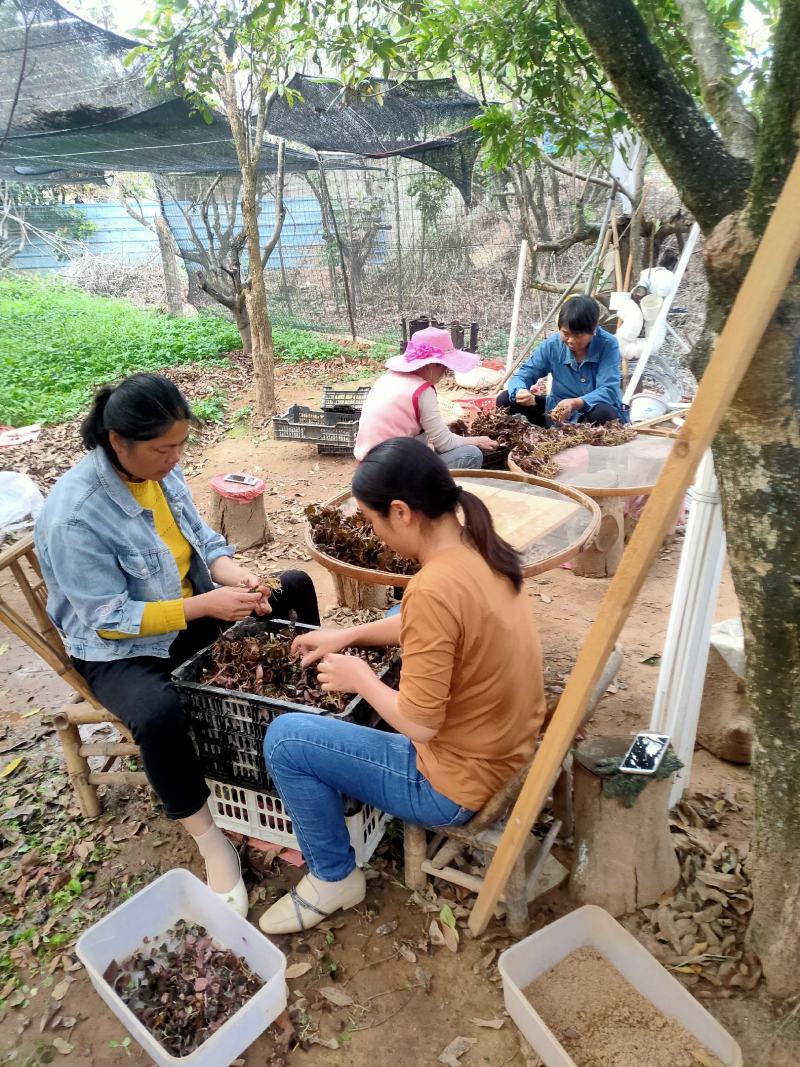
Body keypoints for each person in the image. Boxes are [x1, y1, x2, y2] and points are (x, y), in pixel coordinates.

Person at [34, 373, 320, 917]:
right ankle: (212, 842)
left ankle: (299, 727)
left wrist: (233, 577)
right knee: (159, 712)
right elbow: (109, 617)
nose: (175, 457)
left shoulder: (161, 473)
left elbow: (204, 543)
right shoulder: (74, 514)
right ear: (118, 442)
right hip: (117, 647)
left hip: (186, 610)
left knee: (295, 587)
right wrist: (205, 607)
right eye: (163, 447)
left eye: (181, 444)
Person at [258, 437, 545, 934]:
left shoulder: (435, 588)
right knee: (396, 610)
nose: (377, 534)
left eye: (372, 522)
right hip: (509, 746)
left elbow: (420, 723)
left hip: (454, 786)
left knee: (285, 741)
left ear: (401, 512)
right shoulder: (477, 546)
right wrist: (348, 633)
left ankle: (334, 879)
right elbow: (418, 617)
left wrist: (360, 676)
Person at [354, 326, 499, 470]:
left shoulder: (388, 378)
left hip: (368, 469)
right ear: (431, 365)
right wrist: (477, 440)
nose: (444, 373)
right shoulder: (422, 391)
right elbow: (444, 443)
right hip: (392, 474)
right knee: (471, 454)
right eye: (444, 368)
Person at [497, 295, 627, 426]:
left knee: (604, 414)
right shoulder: (552, 345)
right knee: (505, 400)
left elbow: (608, 390)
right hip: (555, 414)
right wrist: (520, 391)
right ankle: (552, 432)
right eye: (565, 333)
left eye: (577, 335)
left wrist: (575, 403)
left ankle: (578, 435)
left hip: (591, 413)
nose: (570, 340)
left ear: (593, 331)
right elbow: (524, 374)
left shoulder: (608, 344)